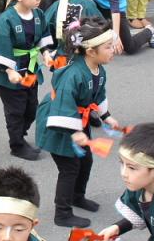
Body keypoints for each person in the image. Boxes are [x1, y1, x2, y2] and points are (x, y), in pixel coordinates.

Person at [36, 17, 119, 227]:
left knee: (85, 160)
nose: (113, 50)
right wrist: (75, 132)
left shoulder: (99, 69)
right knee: (69, 168)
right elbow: (63, 105)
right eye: (108, 47)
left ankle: (77, 196)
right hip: (60, 123)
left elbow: (98, 95)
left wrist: (106, 116)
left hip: (79, 121)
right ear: (90, 51)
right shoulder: (72, 75)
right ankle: (62, 213)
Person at [0, 0, 51, 161]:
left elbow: (43, 37)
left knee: (31, 108)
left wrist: (46, 54)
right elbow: (0, 46)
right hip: (11, 74)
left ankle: (19, 135)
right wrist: (9, 70)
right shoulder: (5, 19)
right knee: (15, 111)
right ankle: (16, 145)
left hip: (31, 70)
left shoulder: (38, 14)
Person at [44, 0, 100, 71]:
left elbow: (43, 28)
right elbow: (100, 30)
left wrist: (51, 48)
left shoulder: (57, 5)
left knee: (61, 81)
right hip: (84, 59)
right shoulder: (88, 5)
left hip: (60, 60)